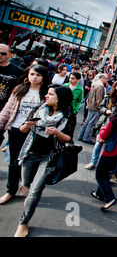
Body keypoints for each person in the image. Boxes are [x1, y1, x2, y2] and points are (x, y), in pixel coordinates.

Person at [13, 85, 73, 237]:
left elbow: (68, 139)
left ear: (59, 99)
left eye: (51, 94)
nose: (46, 96)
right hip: (30, 153)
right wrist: (27, 125)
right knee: (26, 183)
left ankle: (23, 222)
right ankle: (27, 190)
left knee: (34, 191)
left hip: (49, 157)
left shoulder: (67, 116)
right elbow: (22, 129)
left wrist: (58, 133)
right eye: (47, 93)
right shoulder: (39, 110)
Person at [0, 65, 49, 205]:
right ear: (28, 74)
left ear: (43, 77)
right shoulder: (19, 89)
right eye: (32, 74)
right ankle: (10, 190)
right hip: (16, 129)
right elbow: (7, 109)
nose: (34, 77)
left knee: (29, 162)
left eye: (38, 75)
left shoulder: (46, 93)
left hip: (35, 133)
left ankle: (26, 185)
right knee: (13, 161)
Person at [85, 80, 117, 169]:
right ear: (115, 86)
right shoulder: (109, 97)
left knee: (110, 146)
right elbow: (101, 106)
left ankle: (104, 165)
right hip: (105, 123)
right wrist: (105, 111)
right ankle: (93, 162)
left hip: (116, 126)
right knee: (98, 144)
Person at [0, 43, 24, 147]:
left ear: (10, 55)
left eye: (3, 53)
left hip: (3, 110)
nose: (0, 55)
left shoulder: (18, 71)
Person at [78, 73, 107, 145]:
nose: (107, 80)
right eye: (106, 78)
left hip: (91, 106)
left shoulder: (95, 85)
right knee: (91, 123)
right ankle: (86, 137)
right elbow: (99, 99)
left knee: (87, 122)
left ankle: (81, 136)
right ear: (102, 78)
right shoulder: (100, 86)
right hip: (95, 107)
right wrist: (100, 108)